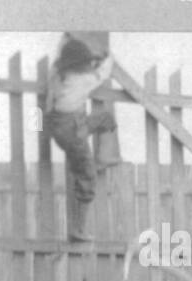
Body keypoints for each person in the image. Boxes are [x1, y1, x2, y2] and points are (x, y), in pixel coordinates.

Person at [42, 36, 117, 242]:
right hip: (74, 132)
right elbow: (103, 72)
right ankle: (79, 230)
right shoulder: (85, 79)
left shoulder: (57, 74)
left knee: (104, 119)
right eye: (87, 63)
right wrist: (108, 57)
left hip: (61, 125)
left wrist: (62, 42)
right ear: (81, 65)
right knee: (87, 177)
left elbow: (60, 58)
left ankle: (102, 158)